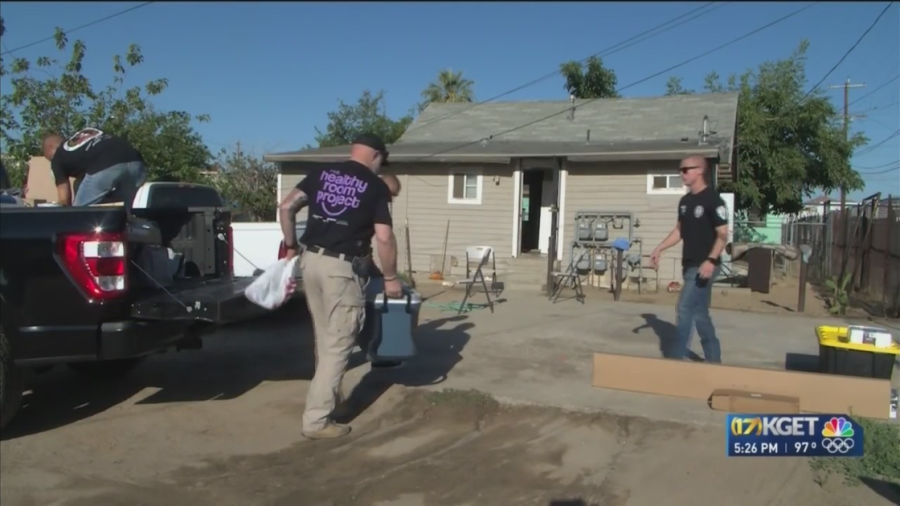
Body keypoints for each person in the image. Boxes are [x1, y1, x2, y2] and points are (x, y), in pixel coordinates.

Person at [278, 132, 402, 440]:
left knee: (325, 338)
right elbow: (384, 238)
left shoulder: (322, 172)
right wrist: (390, 278)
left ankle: (328, 401)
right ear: (376, 156)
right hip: (341, 270)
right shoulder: (374, 186)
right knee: (340, 343)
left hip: (311, 262)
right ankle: (317, 421)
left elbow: (286, 206)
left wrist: (290, 245)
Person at [650, 155, 729, 363]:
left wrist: (711, 260)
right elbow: (679, 231)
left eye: (686, 169)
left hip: (705, 266)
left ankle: (675, 359)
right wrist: (660, 248)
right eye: (680, 170)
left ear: (700, 171)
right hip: (690, 265)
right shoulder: (685, 202)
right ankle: (714, 360)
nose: (681, 173)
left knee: (684, 307)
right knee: (699, 313)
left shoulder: (713, 200)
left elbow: (722, 234)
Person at [42, 128, 147, 207]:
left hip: (105, 164)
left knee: (78, 214)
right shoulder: (85, 136)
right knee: (128, 211)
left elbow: (64, 200)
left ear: (50, 147)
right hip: (136, 161)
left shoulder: (58, 156)